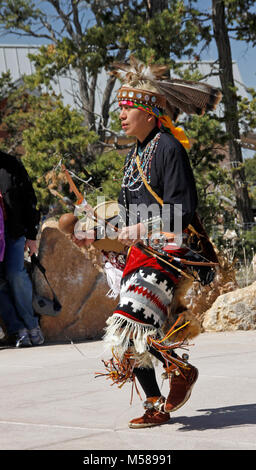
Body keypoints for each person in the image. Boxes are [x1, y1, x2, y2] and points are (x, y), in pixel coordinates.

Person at [73, 56, 221, 428]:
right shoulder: (133, 156)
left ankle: (180, 371)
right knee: (129, 335)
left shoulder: (169, 148)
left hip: (170, 255)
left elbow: (185, 210)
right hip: (141, 256)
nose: (121, 116)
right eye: (120, 110)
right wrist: (99, 227)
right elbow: (127, 215)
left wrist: (139, 229)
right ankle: (156, 402)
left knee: (127, 325)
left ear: (151, 114)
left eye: (128, 109)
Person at [0, 150, 44, 347]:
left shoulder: (11, 164)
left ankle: (31, 324)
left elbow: (29, 199)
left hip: (13, 232)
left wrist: (32, 235)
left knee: (15, 274)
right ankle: (17, 329)